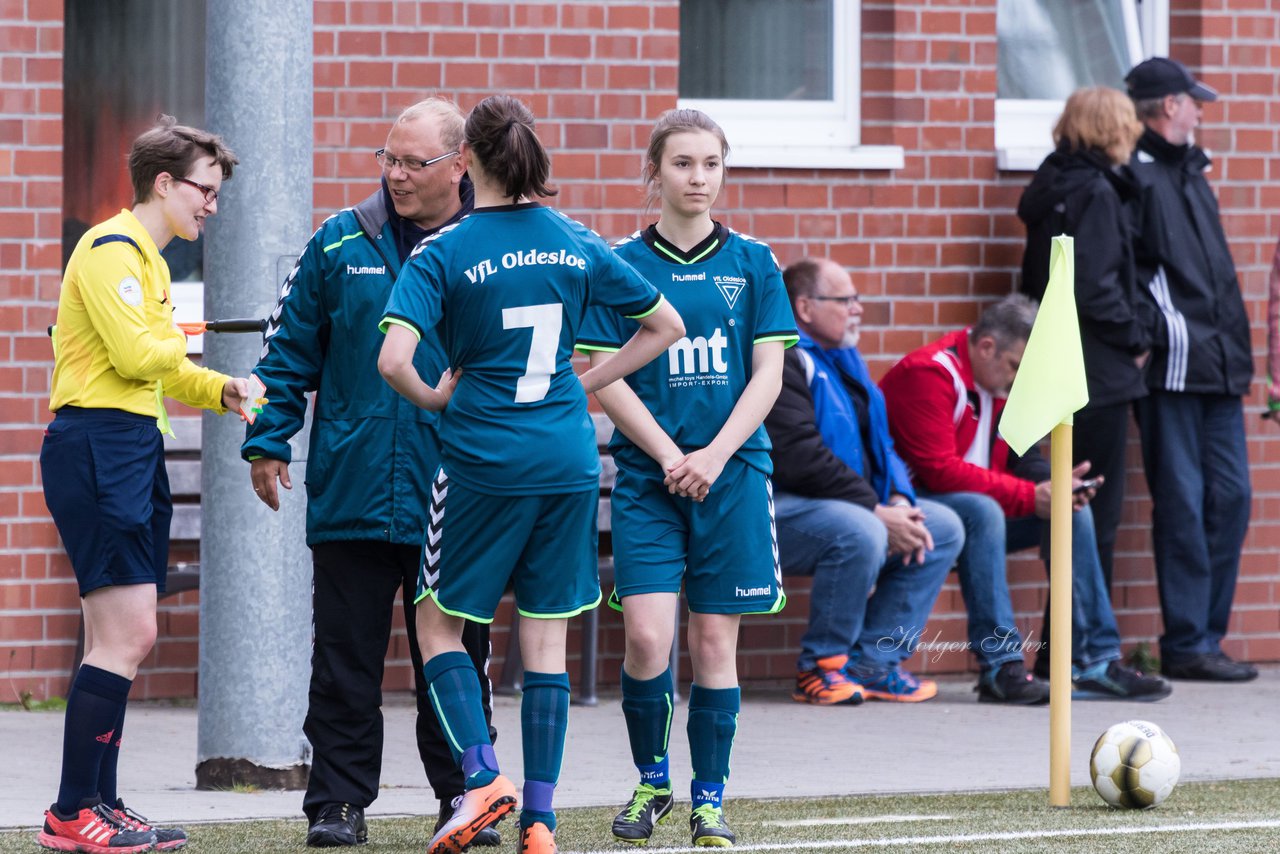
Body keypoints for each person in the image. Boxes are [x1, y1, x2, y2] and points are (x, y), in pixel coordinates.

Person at [378, 95, 684, 854]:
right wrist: (585, 385)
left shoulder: (443, 250)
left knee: (436, 620)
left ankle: (482, 776)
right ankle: (541, 823)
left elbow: (391, 361)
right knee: (545, 643)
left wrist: (435, 396)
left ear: (469, 164)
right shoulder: (576, 240)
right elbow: (668, 326)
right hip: (570, 460)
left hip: (484, 459)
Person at [241, 97, 501, 848]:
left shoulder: (491, 245)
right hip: (353, 487)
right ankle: (337, 805)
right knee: (343, 662)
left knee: (453, 659)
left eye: (412, 163)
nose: (394, 175)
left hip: (458, 495)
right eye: (386, 158)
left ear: (459, 166)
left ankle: (465, 794)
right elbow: (287, 350)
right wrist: (268, 439)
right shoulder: (336, 243)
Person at [576, 108, 795, 849]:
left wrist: (713, 455)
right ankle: (650, 782)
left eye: (710, 164)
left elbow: (769, 374)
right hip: (649, 475)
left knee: (712, 645)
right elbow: (602, 377)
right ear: (655, 173)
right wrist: (672, 455)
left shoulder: (754, 263)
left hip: (732, 473)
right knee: (646, 637)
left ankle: (709, 799)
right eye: (682, 164)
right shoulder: (619, 263)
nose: (698, 178)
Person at [38, 116, 246, 852]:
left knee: (118, 637)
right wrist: (186, 337)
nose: (211, 206)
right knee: (129, 635)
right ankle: (71, 812)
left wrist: (224, 389)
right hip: (99, 445)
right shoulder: (112, 250)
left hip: (125, 443)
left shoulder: (151, 266)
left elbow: (157, 361)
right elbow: (135, 351)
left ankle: (101, 800)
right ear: (165, 183)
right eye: (205, 190)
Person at [879, 296, 1171, 702]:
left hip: (979, 510)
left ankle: (1093, 662)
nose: (1018, 379)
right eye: (1016, 365)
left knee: (1071, 513)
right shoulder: (929, 373)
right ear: (986, 348)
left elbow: (1023, 457)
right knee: (985, 512)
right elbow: (939, 470)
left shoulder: (998, 380)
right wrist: (1030, 496)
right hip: (916, 507)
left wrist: (1055, 487)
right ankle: (1001, 667)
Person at [764, 258, 965, 708]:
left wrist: (898, 497)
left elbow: (883, 442)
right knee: (862, 529)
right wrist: (877, 511)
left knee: (944, 525)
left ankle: (873, 664)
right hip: (774, 510)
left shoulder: (844, 358)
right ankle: (821, 667)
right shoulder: (781, 358)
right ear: (805, 307)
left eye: (857, 299)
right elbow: (798, 456)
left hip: (846, 504)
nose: (857, 309)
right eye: (845, 300)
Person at [1124, 57, 1257, 682]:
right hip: (1173, 366)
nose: (1201, 111)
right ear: (1167, 105)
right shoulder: (1135, 172)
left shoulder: (1193, 171)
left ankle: (1208, 635)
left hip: (1221, 364)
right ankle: (1186, 643)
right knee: (1181, 501)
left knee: (1232, 498)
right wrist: (1152, 334)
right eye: (1193, 101)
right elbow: (1129, 267)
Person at [1018, 86, 1151, 595]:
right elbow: (1095, 287)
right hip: (1097, 367)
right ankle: (1084, 652)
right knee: (1097, 516)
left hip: (1056, 361)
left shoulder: (1050, 183)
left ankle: (1064, 651)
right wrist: (1136, 334)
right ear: (1112, 129)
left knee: (1072, 512)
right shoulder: (1095, 191)